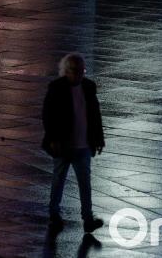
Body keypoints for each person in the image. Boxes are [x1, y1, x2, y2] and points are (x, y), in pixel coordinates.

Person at [42, 53, 105, 234]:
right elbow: (48, 116)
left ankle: (87, 218)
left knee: (84, 183)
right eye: (75, 71)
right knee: (58, 180)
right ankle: (54, 214)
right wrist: (53, 139)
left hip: (83, 145)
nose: (79, 75)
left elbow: (95, 115)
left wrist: (98, 139)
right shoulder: (56, 88)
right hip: (63, 145)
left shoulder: (88, 87)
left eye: (81, 71)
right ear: (66, 71)